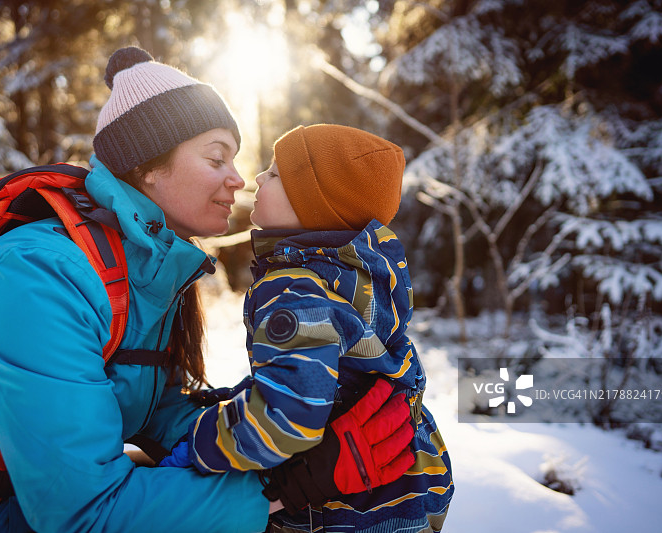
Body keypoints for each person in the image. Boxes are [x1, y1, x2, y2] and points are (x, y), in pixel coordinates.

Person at [0, 49, 412, 532]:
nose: (239, 180)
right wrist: (285, 489)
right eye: (216, 157)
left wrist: (278, 435)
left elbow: (156, 412)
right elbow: (84, 515)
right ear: (149, 166)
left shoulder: (143, 275)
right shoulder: (36, 278)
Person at [176, 124, 455, 532]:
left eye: (273, 174)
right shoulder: (364, 280)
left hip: (337, 511)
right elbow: (328, 378)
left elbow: (290, 413)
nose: (257, 178)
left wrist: (202, 441)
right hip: (408, 488)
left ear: (312, 205)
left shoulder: (292, 288)